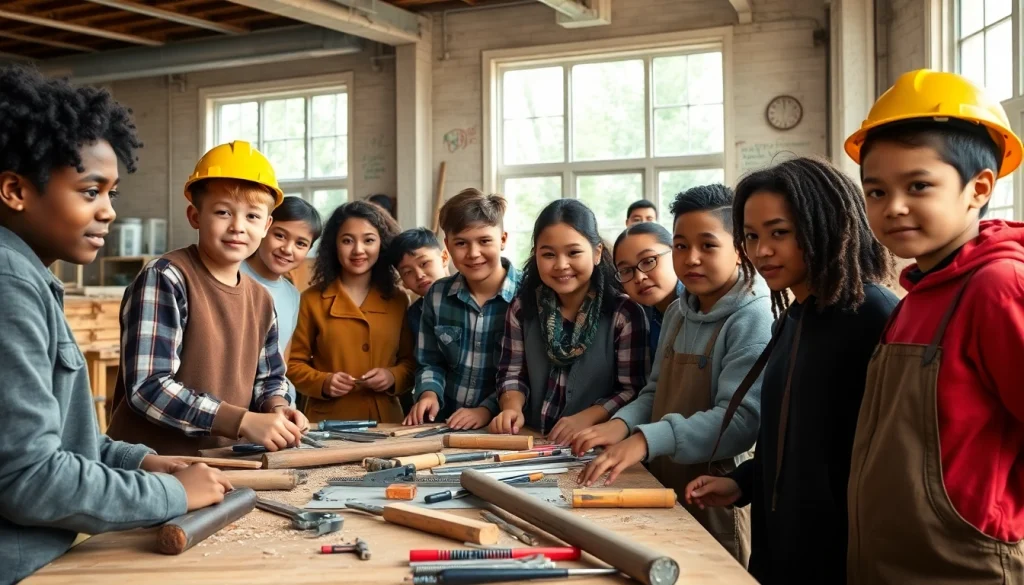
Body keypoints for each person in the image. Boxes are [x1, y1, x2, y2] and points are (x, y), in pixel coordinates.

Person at [0, 65, 230, 583]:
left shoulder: (27, 276)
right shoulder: (9, 283)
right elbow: (28, 477)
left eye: (112, 194)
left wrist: (142, 463)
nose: (108, 213)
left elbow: (57, 441)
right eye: (89, 192)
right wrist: (172, 495)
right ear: (15, 190)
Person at [844, 69, 1024, 584]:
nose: (893, 207)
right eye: (876, 192)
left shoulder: (998, 286)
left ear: (979, 188)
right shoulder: (919, 293)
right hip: (894, 560)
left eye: (918, 185)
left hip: (965, 565)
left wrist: (981, 516)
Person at [685, 157, 898, 584]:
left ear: (826, 224)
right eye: (751, 236)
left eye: (779, 233)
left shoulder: (873, 316)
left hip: (840, 559)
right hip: (779, 550)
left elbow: (880, 462)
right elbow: (791, 439)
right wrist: (743, 483)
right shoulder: (793, 316)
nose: (762, 251)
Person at [575, 184, 772, 564]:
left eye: (708, 245)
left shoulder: (752, 317)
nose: (692, 259)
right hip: (665, 479)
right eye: (682, 246)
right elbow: (654, 392)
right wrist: (620, 426)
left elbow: (740, 421)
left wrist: (646, 441)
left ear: (740, 248)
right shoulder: (680, 311)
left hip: (713, 490)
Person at [107, 141, 307, 455]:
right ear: (195, 215)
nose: (238, 227)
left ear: (267, 225)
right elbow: (148, 388)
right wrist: (240, 420)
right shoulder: (166, 277)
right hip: (149, 469)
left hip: (222, 464)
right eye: (223, 212)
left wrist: (277, 407)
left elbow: (269, 377)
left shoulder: (261, 299)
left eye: (253, 216)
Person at [490, 199, 649, 445]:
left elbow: (632, 389)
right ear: (536, 256)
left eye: (574, 252)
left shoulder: (624, 313)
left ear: (597, 253)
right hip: (530, 440)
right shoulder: (522, 308)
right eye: (548, 254)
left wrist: (586, 418)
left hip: (594, 445)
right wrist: (511, 408)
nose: (561, 265)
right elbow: (511, 372)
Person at [404, 189, 521, 430]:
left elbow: (525, 372)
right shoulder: (437, 295)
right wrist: (429, 393)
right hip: (445, 424)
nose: (473, 253)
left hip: (503, 426)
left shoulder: (527, 296)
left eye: (485, 241)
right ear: (447, 246)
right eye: (461, 243)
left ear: (503, 239)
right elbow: (429, 361)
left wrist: (486, 410)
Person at [288, 201, 415, 423]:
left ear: (381, 244)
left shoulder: (398, 299)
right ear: (334, 245)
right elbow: (292, 364)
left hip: (385, 423)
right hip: (327, 423)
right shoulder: (311, 300)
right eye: (347, 240)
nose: (358, 250)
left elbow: (412, 362)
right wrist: (324, 382)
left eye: (369, 240)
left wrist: (392, 376)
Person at [241, 196, 322, 404]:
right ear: (264, 228)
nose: (287, 249)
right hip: (228, 408)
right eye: (280, 235)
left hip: (271, 405)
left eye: (301, 243)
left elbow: (281, 363)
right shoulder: (233, 273)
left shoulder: (293, 296)